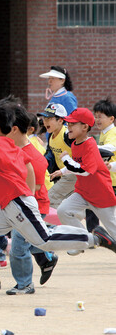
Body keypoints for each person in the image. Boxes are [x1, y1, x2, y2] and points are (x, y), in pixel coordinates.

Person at [0, 104, 116, 293]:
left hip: (17, 202)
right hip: (12, 203)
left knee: (44, 240)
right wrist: (25, 191)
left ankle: (94, 238)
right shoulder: (9, 143)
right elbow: (26, 167)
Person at [5, 103, 57, 295]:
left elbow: (30, 191)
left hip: (33, 205)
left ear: (15, 129)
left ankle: (25, 284)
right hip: (21, 204)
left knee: (18, 247)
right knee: (31, 240)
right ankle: (48, 258)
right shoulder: (13, 148)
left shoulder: (32, 156)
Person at [52, 108, 116, 257]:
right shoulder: (75, 144)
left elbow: (84, 170)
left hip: (101, 195)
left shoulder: (90, 145)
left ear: (85, 127)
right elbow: (77, 164)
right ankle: (80, 242)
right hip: (83, 192)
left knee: (113, 230)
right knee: (63, 211)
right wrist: (62, 171)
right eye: (68, 124)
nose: (69, 127)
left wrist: (65, 159)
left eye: (72, 124)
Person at [94, 98, 116, 195]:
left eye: (100, 117)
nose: (97, 120)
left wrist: (91, 147)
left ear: (111, 119)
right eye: (95, 116)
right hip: (107, 180)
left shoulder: (113, 132)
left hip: (113, 181)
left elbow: (111, 147)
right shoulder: (104, 132)